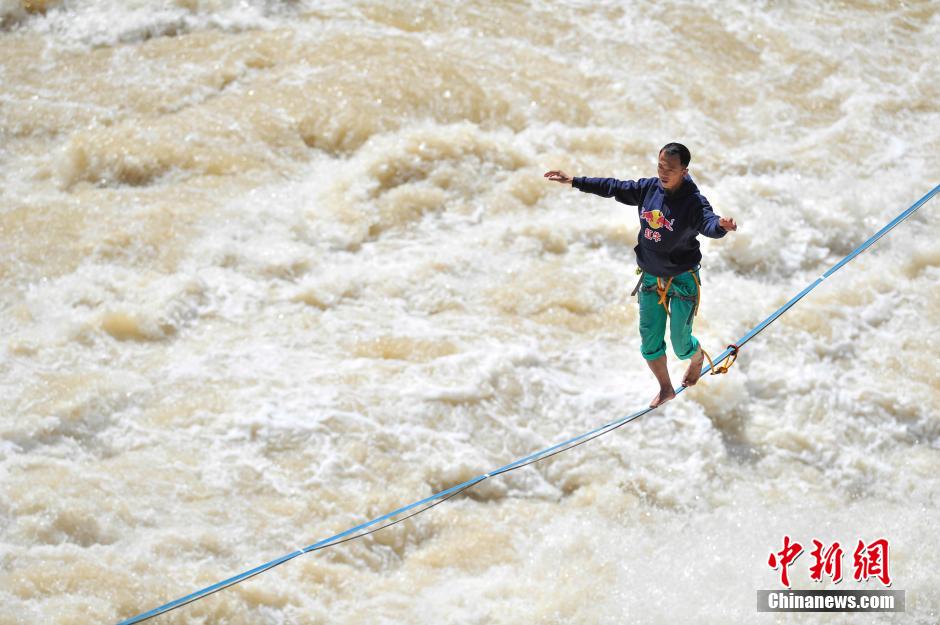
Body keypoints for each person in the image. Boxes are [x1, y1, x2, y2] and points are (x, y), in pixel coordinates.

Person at [544, 143, 738, 408]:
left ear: (684, 170)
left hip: (682, 280)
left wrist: (721, 227)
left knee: (681, 346)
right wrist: (574, 181)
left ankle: (696, 359)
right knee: (649, 343)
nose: (663, 172)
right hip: (650, 278)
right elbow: (613, 186)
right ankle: (666, 387)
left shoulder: (693, 202)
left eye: (670, 168)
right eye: (660, 166)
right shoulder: (649, 189)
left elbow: (708, 223)